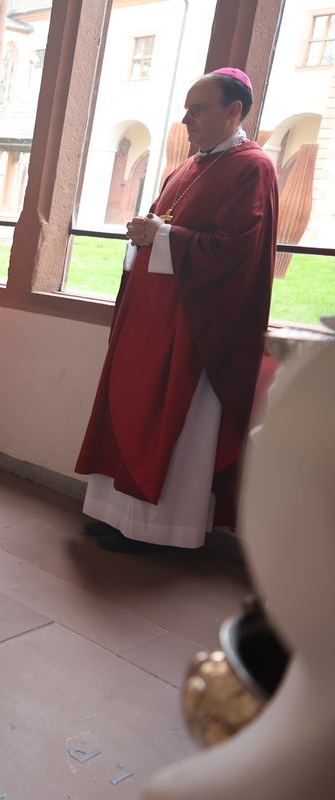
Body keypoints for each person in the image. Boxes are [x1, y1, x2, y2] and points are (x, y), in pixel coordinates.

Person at [76, 68, 278, 553]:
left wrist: (162, 237)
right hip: (151, 317)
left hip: (195, 325)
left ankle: (159, 529)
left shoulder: (253, 168)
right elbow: (163, 227)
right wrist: (146, 231)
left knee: (172, 421)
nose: (186, 119)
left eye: (198, 109)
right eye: (187, 108)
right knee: (132, 407)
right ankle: (117, 513)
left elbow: (239, 253)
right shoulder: (190, 166)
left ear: (234, 110)